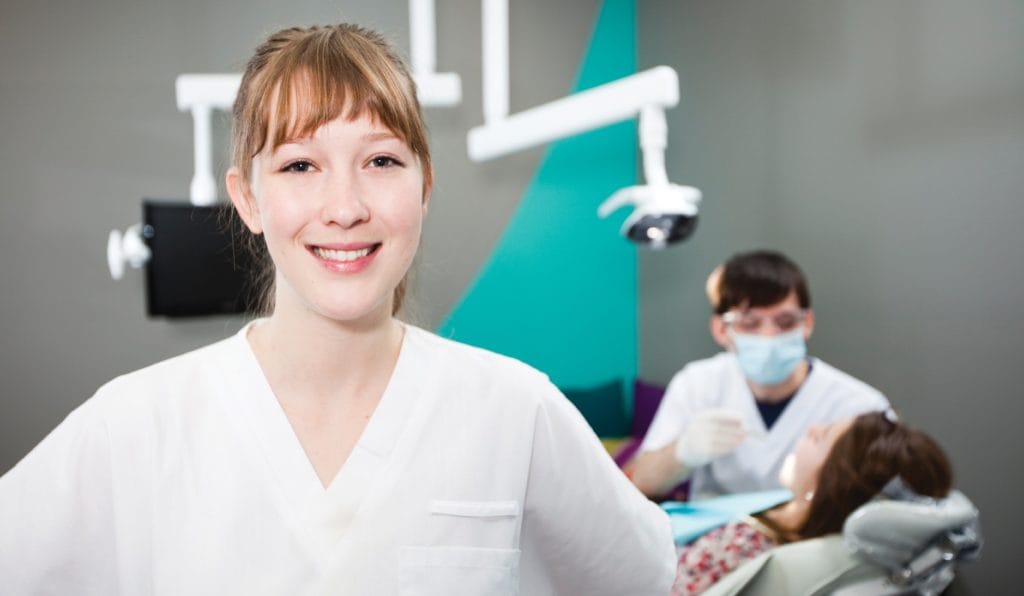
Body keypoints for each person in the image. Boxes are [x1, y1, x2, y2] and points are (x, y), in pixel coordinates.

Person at [0, 24, 675, 595]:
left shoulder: (515, 411)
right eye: (300, 166)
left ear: (425, 187)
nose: (346, 207)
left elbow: (640, 577)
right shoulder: (136, 426)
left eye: (381, 160)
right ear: (248, 199)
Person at [631, 250, 890, 499]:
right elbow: (636, 483)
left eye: (785, 322)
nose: (769, 336)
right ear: (721, 329)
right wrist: (682, 452)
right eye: (750, 323)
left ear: (807, 323)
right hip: (717, 535)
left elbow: (894, 502)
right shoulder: (697, 384)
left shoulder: (860, 407)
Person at [671, 411, 954, 595]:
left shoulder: (740, 545)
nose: (811, 428)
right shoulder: (870, 550)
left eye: (820, 438)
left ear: (830, 485)